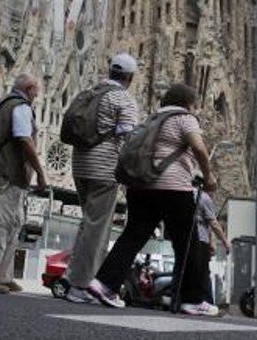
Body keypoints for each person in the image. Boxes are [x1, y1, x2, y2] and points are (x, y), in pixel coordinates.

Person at [87, 84, 218, 317]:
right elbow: (198, 147)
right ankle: (192, 300)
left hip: (140, 186)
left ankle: (103, 284)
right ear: (188, 102)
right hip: (173, 188)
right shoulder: (184, 118)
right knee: (189, 244)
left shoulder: (152, 119)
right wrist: (208, 176)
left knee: (132, 237)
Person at [63, 54, 140, 305]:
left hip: (80, 165)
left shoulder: (91, 90)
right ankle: (80, 286)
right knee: (96, 228)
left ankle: (72, 277)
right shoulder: (123, 99)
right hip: (104, 169)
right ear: (129, 77)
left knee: (88, 224)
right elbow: (128, 139)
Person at [0, 73, 47, 293]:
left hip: (12, 176)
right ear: (30, 88)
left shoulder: (1, 103)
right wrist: (40, 171)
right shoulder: (20, 107)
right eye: (36, 92)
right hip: (7, 174)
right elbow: (24, 138)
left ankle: (3, 274)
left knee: (14, 224)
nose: (36, 97)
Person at [193, 188, 229, 305]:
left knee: (189, 270)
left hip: (188, 239)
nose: (214, 194)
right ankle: (207, 302)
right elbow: (213, 223)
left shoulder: (188, 194)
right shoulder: (204, 198)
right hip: (199, 240)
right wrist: (225, 242)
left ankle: (184, 300)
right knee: (204, 273)